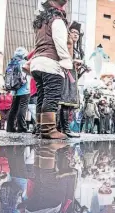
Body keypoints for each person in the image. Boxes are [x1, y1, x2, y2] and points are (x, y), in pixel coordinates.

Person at [30, 0, 73, 139]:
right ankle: (48, 130)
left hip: (37, 63)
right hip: (51, 63)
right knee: (51, 96)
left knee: (42, 97)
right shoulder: (57, 20)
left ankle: (40, 128)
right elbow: (59, 42)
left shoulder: (41, 23)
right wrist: (66, 61)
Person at [58, 21, 85, 138]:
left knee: (68, 103)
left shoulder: (77, 49)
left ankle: (63, 128)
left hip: (72, 76)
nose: (75, 35)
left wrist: (81, 67)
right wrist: (73, 62)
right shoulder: (66, 45)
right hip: (66, 75)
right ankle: (65, 129)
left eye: (77, 34)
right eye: (73, 32)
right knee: (66, 102)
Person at [6, 47, 31, 133]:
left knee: (13, 108)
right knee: (22, 108)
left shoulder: (11, 63)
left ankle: (10, 127)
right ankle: (21, 128)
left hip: (14, 90)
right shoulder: (25, 63)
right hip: (25, 89)